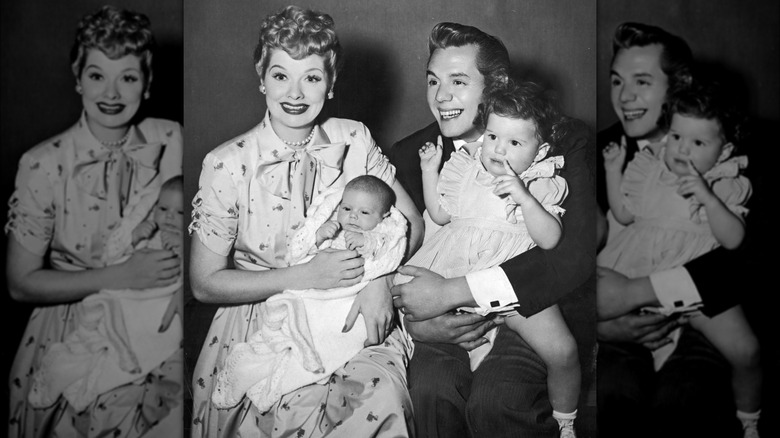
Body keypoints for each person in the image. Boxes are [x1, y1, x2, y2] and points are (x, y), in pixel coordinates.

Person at [187, 5, 423, 437]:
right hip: (264, 316)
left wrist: (377, 281)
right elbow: (204, 284)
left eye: (311, 77)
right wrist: (304, 275)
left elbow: (411, 224)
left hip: (353, 306)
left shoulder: (354, 138)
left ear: (329, 85)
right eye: (281, 76)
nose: (295, 93)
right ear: (262, 79)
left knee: (379, 402)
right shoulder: (226, 163)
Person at [389, 22, 595, 437]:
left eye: (458, 81)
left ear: (496, 83)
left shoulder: (561, 139)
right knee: (431, 391)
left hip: (533, 307)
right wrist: (415, 322)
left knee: (497, 402)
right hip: (448, 323)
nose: (440, 96)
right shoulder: (412, 155)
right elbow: (390, 257)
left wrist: (453, 291)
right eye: (433, 80)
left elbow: (574, 254)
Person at [5, 5, 183, 437]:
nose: (112, 92)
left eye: (128, 77)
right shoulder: (43, 163)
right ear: (77, 77)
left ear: (147, 82)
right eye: (97, 75)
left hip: (159, 318)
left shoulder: (172, 138)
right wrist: (121, 275)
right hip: (72, 326)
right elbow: (20, 283)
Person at [596, 22, 764, 438]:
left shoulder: (737, 154)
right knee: (614, 401)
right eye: (617, 80)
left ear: (680, 84)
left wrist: (636, 292)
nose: (624, 97)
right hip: (618, 329)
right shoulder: (602, 154)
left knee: (684, 407)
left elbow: (748, 258)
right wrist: (599, 322)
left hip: (706, 314)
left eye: (642, 81)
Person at [211, 175, 408, 412]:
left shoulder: (381, 233)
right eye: (346, 208)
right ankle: (257, 364)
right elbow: (301, 253)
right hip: (316, 293)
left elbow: (386, 253)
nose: (353, 216)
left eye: (364, 213)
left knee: (338, 334)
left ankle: (288, 373)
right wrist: (319, 237)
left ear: (383, 217)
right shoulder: (336, 229)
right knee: (293, 328)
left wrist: (367, 242)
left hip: (347, 301)